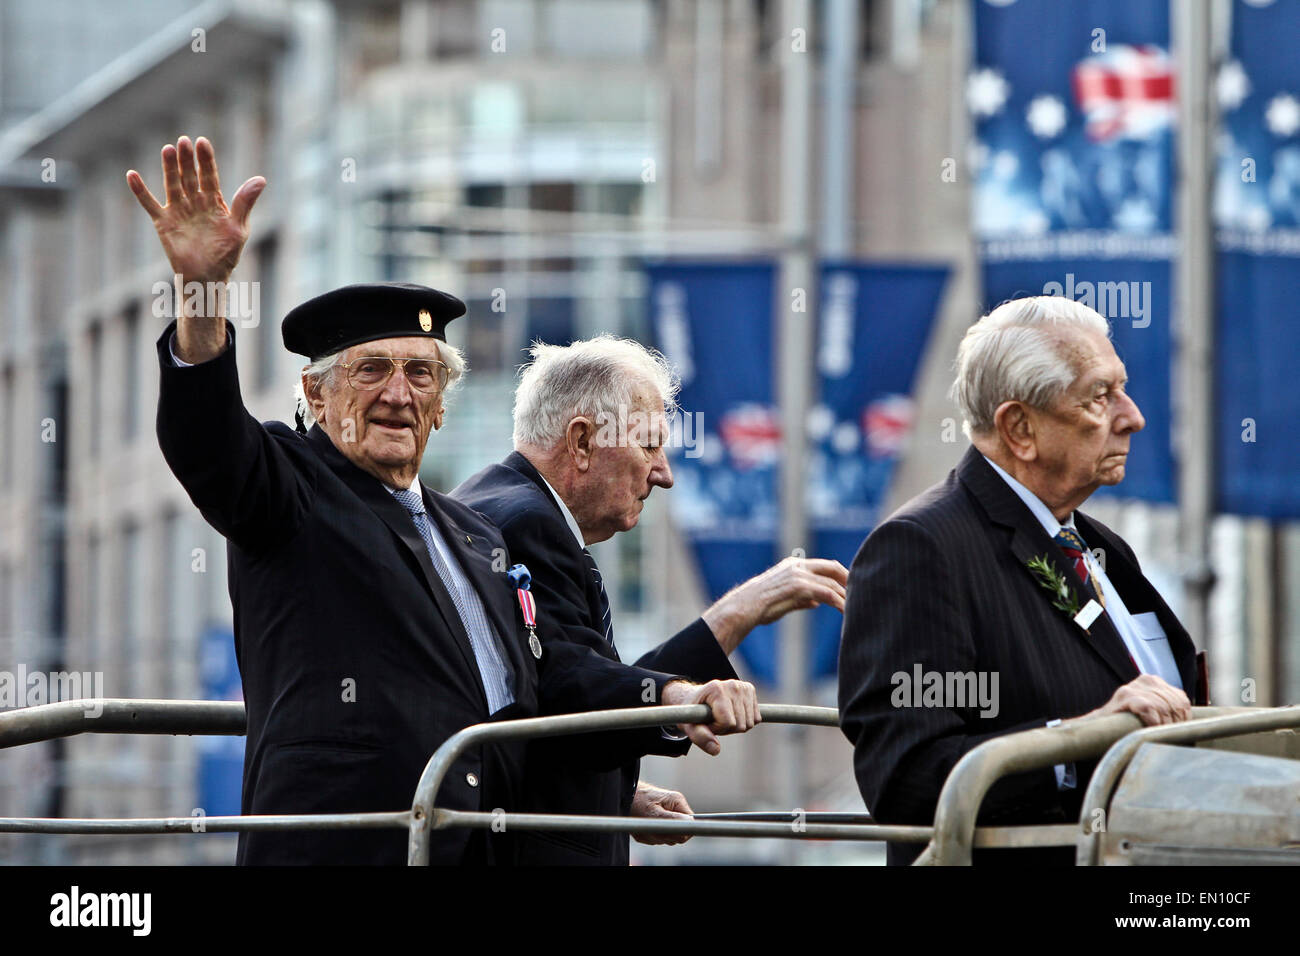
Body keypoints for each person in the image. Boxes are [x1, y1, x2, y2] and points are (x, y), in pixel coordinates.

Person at [127, 135, 760, 865]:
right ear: (316, 395)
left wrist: (624, 780)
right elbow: (207, 441)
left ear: (440, 406)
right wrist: (203, 291)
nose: (399, 394)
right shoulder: (291, 489)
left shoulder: (475, 536)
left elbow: (543, 685)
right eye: (372, 370)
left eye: (422, 375)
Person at [837, 295, 1207, 866]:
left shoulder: (1102, 546)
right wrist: (1079, 740)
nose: (1132, 416)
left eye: (1123, 389)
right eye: (1099, 396)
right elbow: (907, 780)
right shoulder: (920, 549)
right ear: (1019, 427)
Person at [454, 336, 848, 864]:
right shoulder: (526, 522)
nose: (664, 473)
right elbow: (568, 682)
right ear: (582, 442)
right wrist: (681, 691)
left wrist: (621, 795)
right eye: (649, 445)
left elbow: (550, 706)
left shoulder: (505, 506)